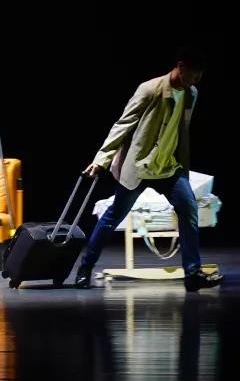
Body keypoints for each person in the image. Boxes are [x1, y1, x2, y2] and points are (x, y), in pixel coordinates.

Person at [78, 47, 224, 291]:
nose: (195, 81)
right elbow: (124, 124)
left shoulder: (191, 94)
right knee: (113, 217)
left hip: (168, 167)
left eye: (199, 77)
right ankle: (85, 267)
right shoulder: (150, 89)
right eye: (193, 75)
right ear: (180, 67)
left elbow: (181, 129)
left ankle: (192, 274)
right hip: (140, 167)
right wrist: (102, 158)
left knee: (189, 209)